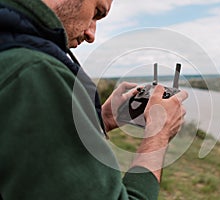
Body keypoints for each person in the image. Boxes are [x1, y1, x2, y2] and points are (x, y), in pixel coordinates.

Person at [0, 0, 188, 199]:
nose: (91, 35)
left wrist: (102, 120)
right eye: (96, 12)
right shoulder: (33, 71)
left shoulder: (10, 48)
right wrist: (157, 137)